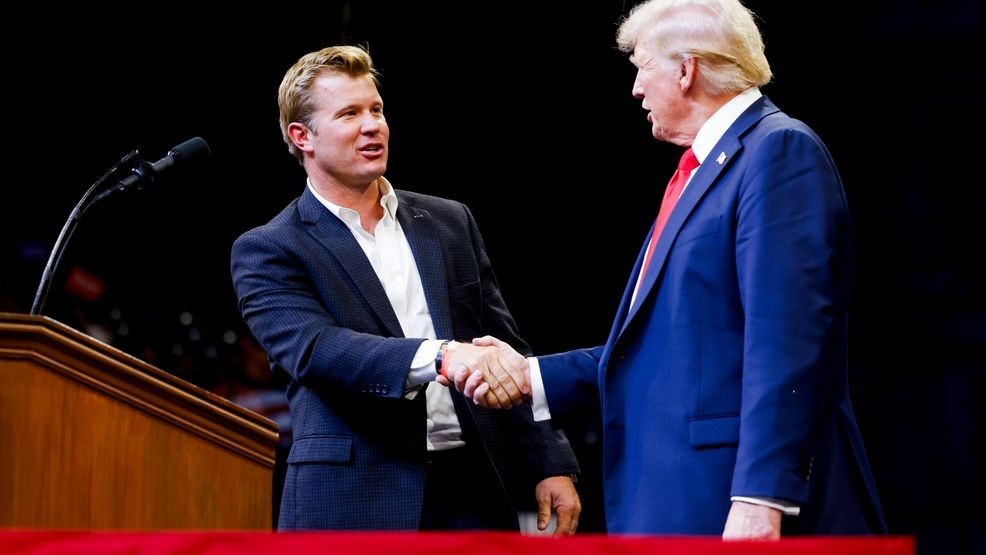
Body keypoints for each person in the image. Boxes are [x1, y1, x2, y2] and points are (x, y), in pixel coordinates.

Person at [448, 0, 887, 539]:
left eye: (642, 67)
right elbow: (657, 351)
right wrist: (529, 375)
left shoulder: (778, 151)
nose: (635, 89)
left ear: (686, 70)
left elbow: (788, 340)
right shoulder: (704, 171)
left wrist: (762, 496)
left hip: (732, 501)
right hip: (678, 496)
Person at [230, 45, 580, 533]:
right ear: (302, 136)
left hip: (474, 492)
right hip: (352, 500)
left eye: (376, 109)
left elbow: (505, 348)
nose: (373, 125)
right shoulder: (269, 248)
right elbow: (317, 350)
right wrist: (440, 357)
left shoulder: (448, 221)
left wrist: (548, 459)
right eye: (350, 114)